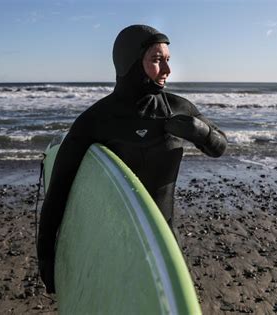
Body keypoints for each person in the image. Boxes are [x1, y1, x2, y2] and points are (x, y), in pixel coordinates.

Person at [37, 24, 227, 293]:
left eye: (168, 61)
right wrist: (46, 256)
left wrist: (203, 133)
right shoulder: (97, 120)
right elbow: (58, 192)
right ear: (131, 62)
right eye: (157, 60)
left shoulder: (178, 108)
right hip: (114, 246)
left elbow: (220, 147)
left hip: (166, 240)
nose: (167, 71)